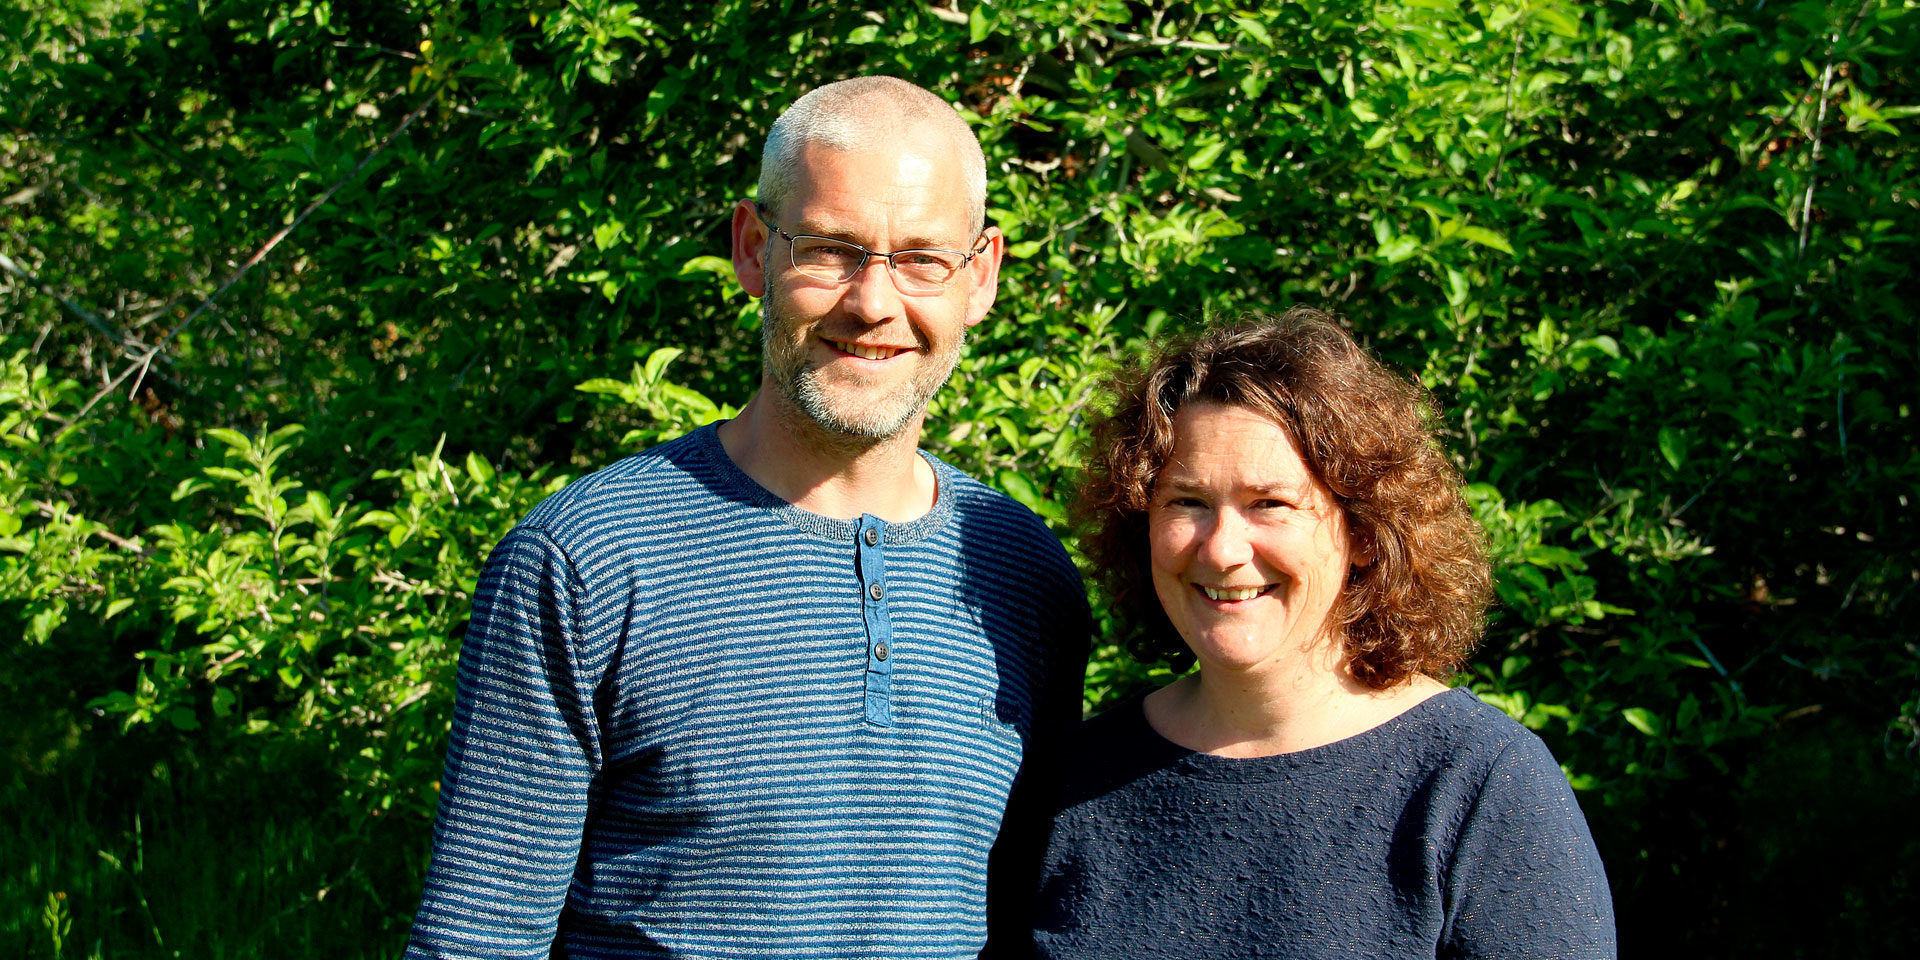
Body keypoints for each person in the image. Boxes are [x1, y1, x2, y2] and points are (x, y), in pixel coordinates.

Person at [405, 76, 1088, 959]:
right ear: (752, 248)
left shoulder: (1021, 575)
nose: (874, 303)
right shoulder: (586, 562)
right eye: (831, 249)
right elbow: (477, 939)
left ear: (981, 275)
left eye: (922, 258)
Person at [1033, 308, 1615, 958]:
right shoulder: (1075, 778)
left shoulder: (1479, 786)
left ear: (1363, 532)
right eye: (1187, 502)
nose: (1223, 549)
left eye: (1270, 504)